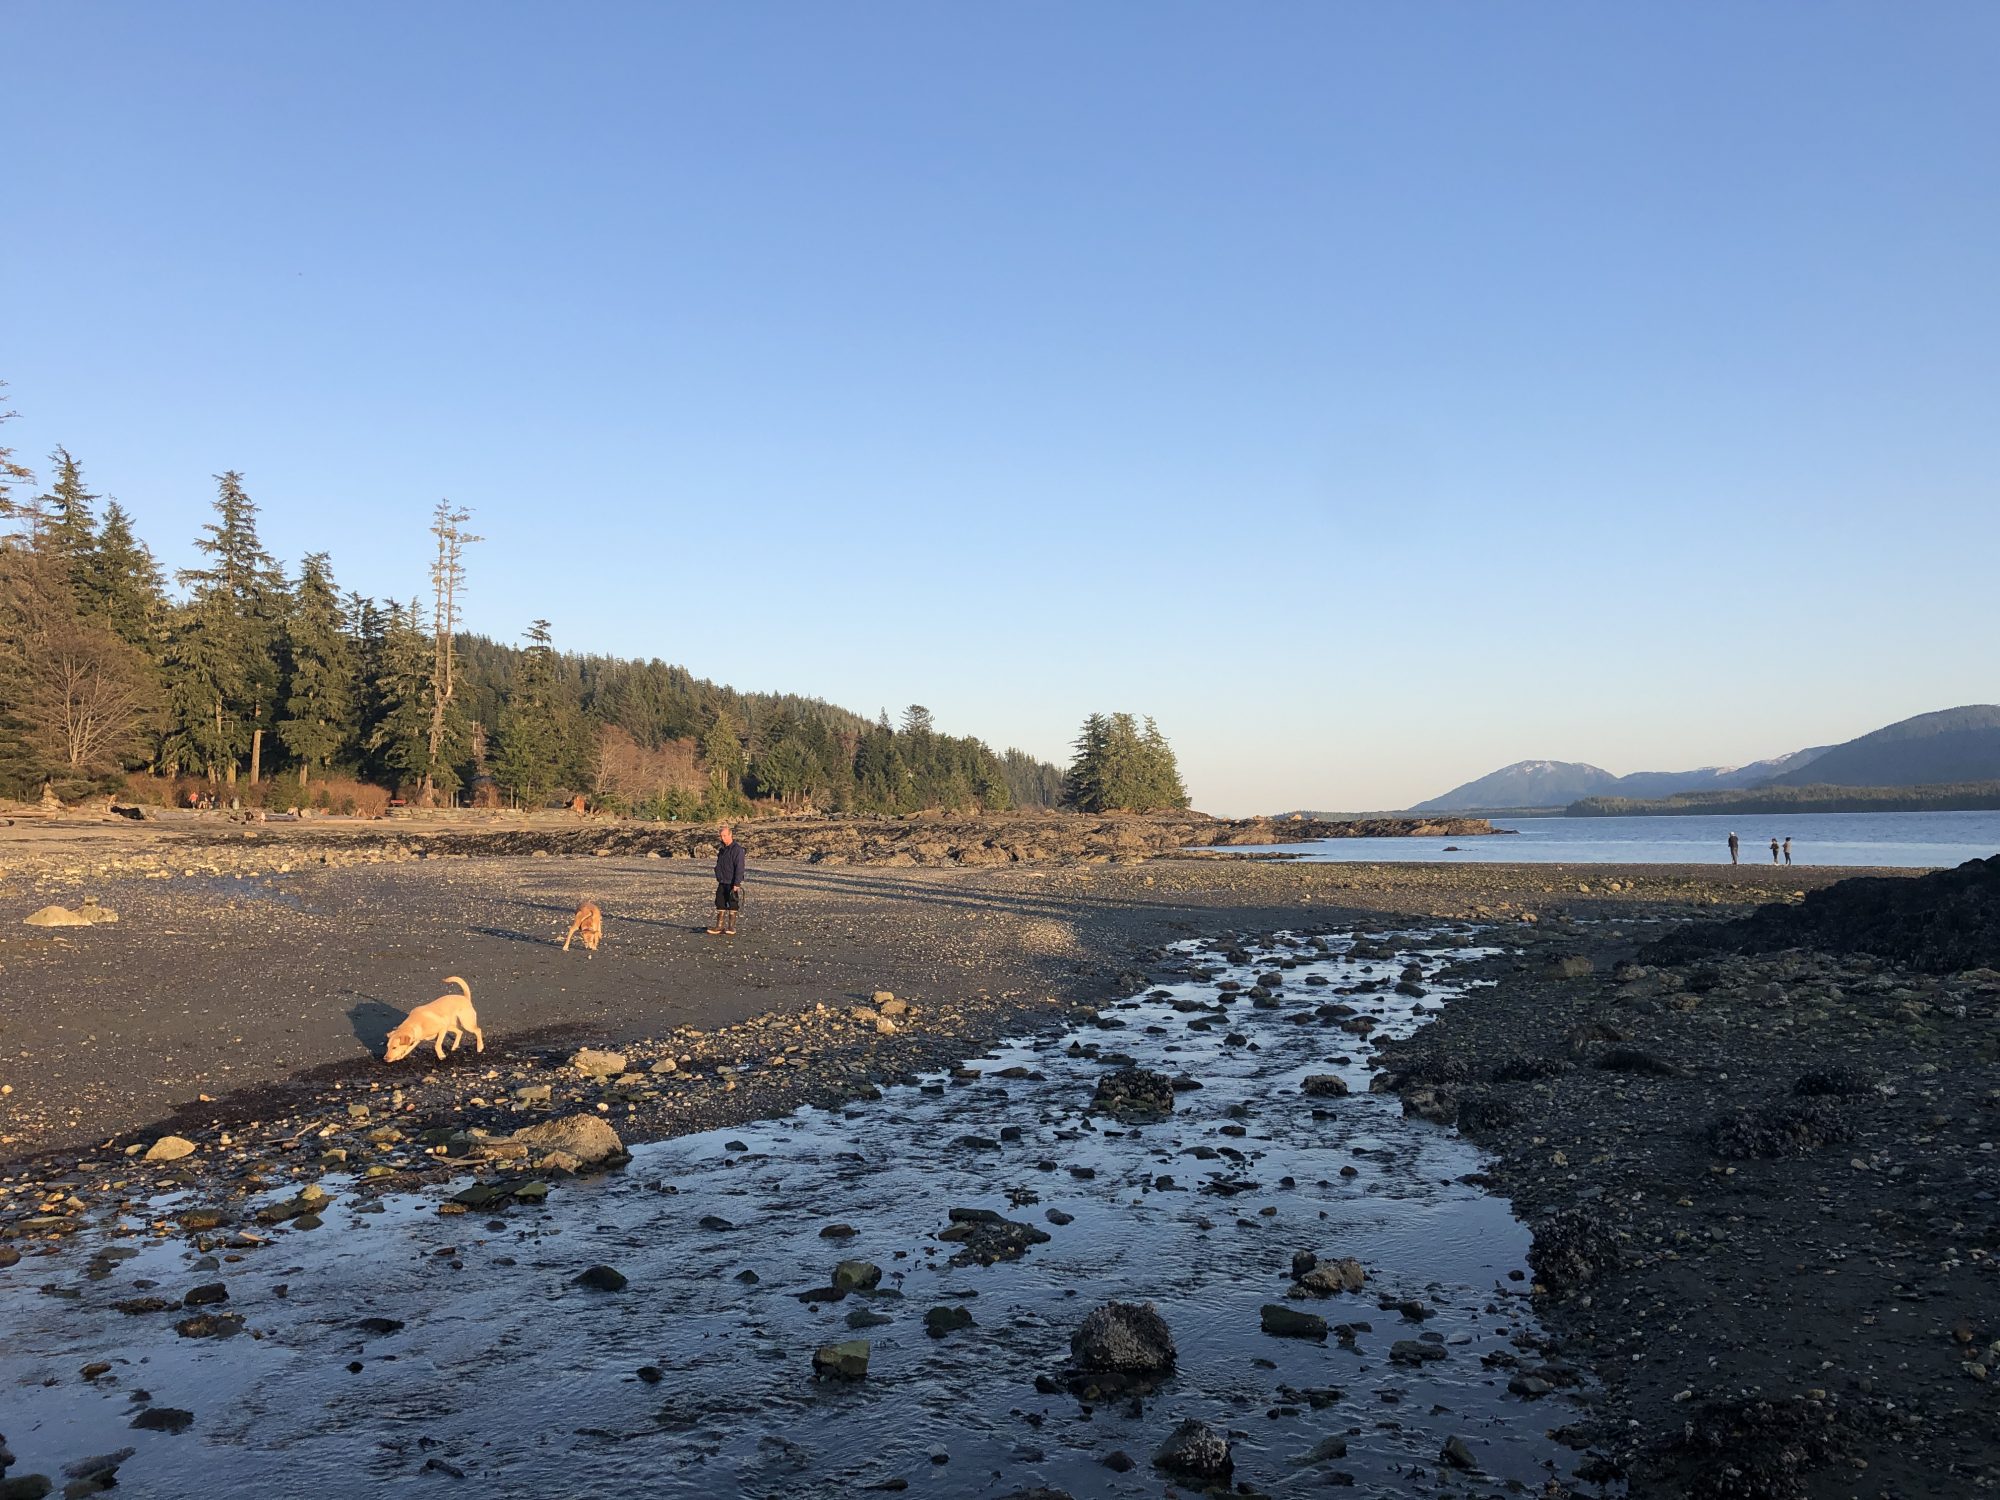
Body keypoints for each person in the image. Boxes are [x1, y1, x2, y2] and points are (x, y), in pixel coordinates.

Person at [708, 823, 745, 936]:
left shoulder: (737, 850)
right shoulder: (722, 850)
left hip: (732, 881)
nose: (722, 838)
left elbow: (740, 867)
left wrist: (737, 883)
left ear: (730, 835)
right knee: (720, 902)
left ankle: (731, 927)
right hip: (722, 880)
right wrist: (717, 873)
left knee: (733, 903)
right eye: (721, 836)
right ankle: (719, 926)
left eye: (724, 835)